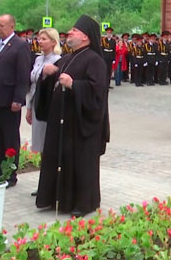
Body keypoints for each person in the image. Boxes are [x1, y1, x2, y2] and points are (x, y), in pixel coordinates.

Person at [35, 15, 110, 217]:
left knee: (80, 163)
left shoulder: (95, 61)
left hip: (80, 124)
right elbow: (54, 85)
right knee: (59, 158)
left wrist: (75, 85)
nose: (69, 32)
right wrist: (47, 76)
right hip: (60, 123)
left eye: (74, 30)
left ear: (85, 37)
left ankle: (83, 204)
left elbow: (98, 93)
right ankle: (55, 198)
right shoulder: (66, 58)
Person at [0, 14, 32, 187]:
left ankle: (10, 174)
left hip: (9, 101)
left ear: (12, 26)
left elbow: (23, 75)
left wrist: (18, 99)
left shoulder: (20, 46)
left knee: (9, 139)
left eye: (2, 25)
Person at [26, 28, 63, 153]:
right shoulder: (38, 59)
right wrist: (29, 107)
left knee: (46, 141)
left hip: (48, 104)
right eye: (39, 39)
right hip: (36, 100)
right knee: (37, 140)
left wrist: (46, 75)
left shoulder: (58, 60)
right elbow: (33, 85)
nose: (40, 41)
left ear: (53, 42)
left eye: (44, 39)